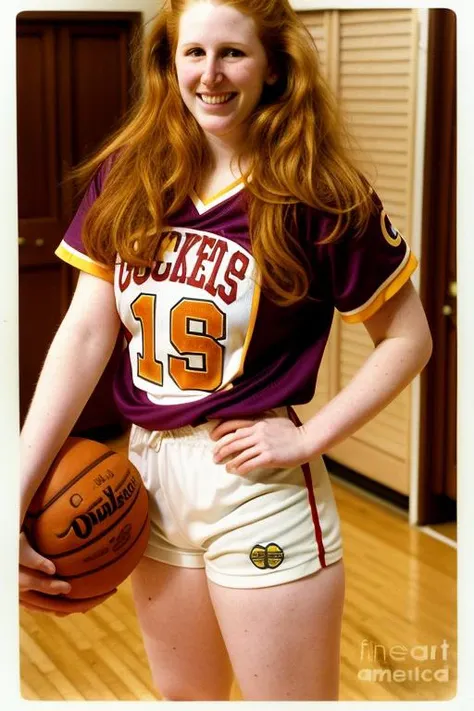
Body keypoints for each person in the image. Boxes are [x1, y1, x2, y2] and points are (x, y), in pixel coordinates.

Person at [18, 0, 432, 701]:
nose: (211, 74)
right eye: (194, 53)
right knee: (186, 698)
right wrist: (14, 490)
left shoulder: (320, 190)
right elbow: (87, 334)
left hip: (254, 484)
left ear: (273, 67)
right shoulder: (129, 173)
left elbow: (409, 337)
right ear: (168, 64)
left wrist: (312, 436)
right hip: (145, 471)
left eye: (234, 53)